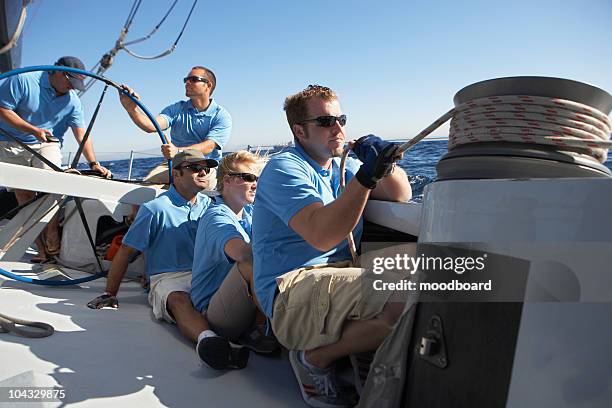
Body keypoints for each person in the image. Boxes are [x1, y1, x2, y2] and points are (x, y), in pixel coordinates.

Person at [252, 85, 412, 407]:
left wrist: (385, 164)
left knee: (435, 266)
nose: (338, 129)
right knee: (406, 293)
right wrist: (366, 178)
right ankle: (314, 358)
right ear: (300, 130)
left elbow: (400, 195)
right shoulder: (284, 169)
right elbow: (321, 235)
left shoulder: (345, 167)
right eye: (326, 122)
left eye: (341, 119)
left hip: (338, 277)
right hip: (292, 289)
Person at [87, 149, 248, 370]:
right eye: (194, 168)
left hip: (205, 271)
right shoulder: (155, 210)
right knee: (178, 299)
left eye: (206, 168)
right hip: (169, 277)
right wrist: (110, 294)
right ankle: (208, 341)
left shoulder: (212, 206)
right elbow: (126, 251)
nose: (202, 172)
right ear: (176, 174)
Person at [0, 56, 112, 262]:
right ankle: (41, 250)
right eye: (70, 82)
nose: (73, 88)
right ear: (58, 72)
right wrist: (32, 130)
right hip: (9, 141)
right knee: (24, 197)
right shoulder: (23, 80)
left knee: (53, 186)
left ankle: (52, 232)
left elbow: (81, 135)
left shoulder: (73, 102)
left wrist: (94, 164)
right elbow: (2, 108)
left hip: (47, 142)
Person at [191, 151, 278, 360]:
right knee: (250, 264)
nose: (255, 183)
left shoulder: (249, 213)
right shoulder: (216, 216)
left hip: (238, 302)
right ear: (227, 180)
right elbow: (242, 254)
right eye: (248, 178)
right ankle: (275, 327)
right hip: (212, 313)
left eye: (258, 178)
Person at [118, 66, 231, 189]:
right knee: (141, 192)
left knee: (194, 185)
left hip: (205, 165)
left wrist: (178, 151)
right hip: (175, 163)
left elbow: (208, 146)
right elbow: (151, 126)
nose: (187, 82)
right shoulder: (177, 109)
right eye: (186, 80)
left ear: (208, 86)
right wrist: (131, 108)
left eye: (193, 79)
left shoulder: (221, 116)